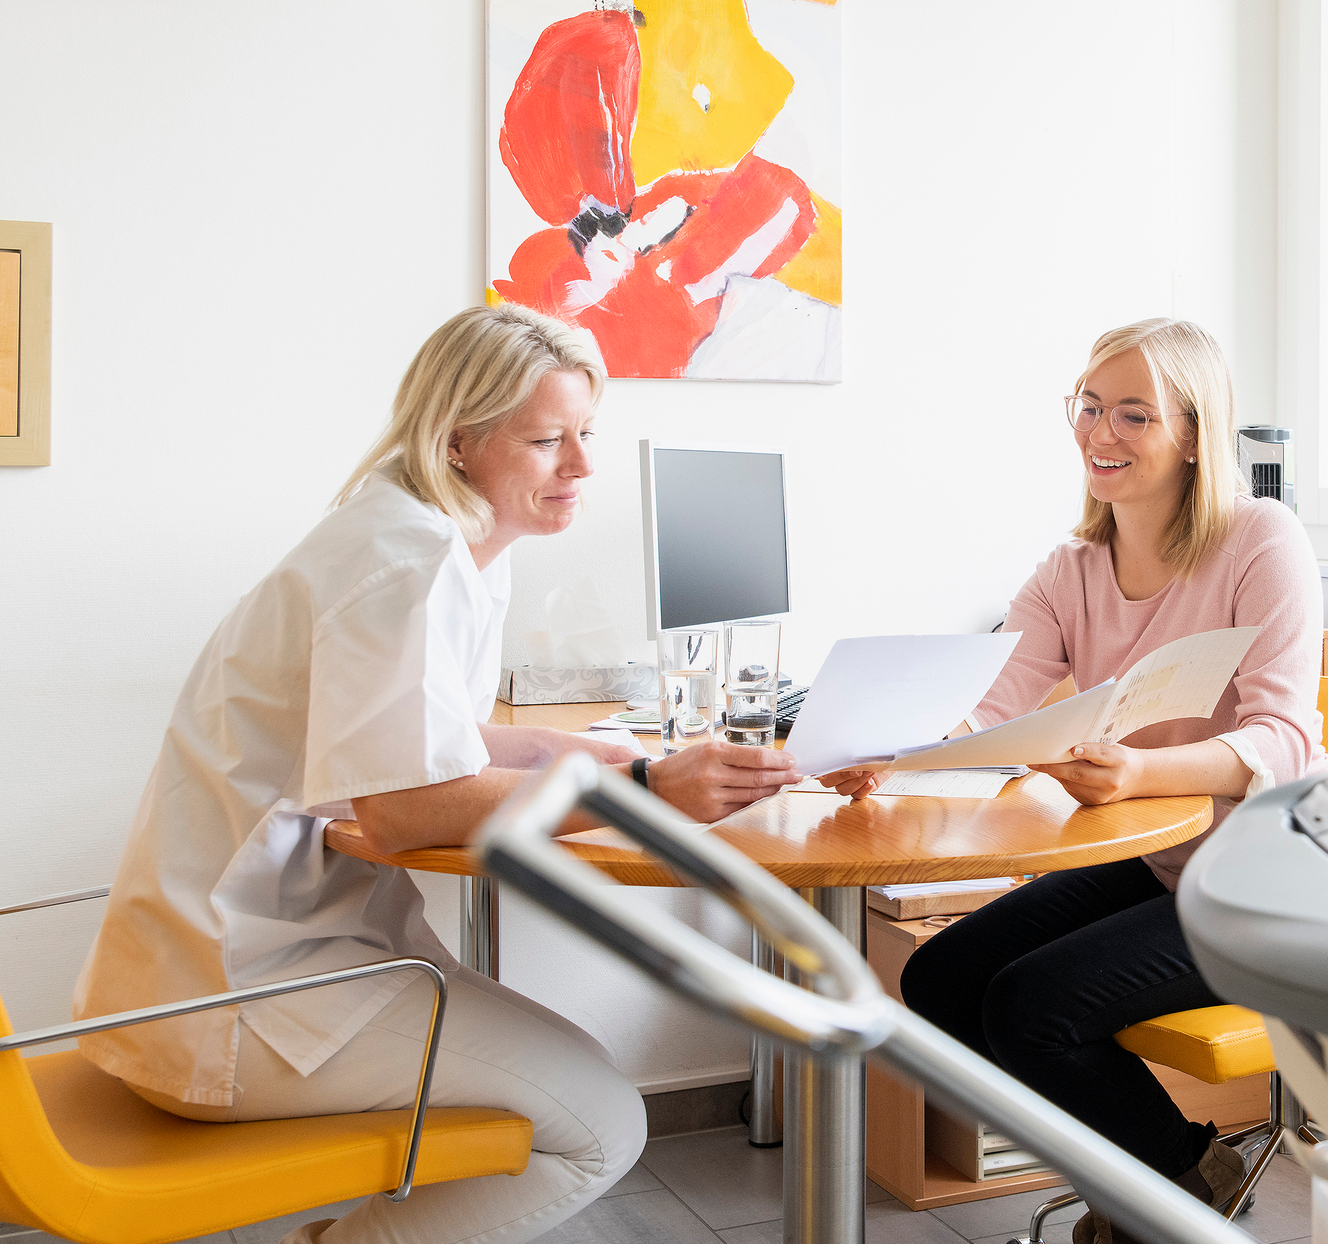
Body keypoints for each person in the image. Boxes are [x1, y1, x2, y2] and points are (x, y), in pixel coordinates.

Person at [71, 304, 804, 1244]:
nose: (582, 466)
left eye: (587, 433)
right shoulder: (407, 561)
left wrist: (597, 756)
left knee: (576, 1079)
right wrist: (646, 792)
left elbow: (433, 738)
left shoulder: (433, 536)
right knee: (602, 1126)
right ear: (457, 441)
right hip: (239, 994)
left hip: (270, 953)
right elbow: (404, 810)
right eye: (546, 440)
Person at [828, 319, 1328, 1244]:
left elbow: (1286, 739)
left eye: (1134, 414)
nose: (1101, 433)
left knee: (1031, 1007)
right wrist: (889, 751)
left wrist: (1138, 770)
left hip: (1276, 876)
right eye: (1090, 407)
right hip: (1166, 858)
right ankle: (1177, 1173)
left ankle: (1162, 1189)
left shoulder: (1260, 540)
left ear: (1195, 434)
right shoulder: (1072, 568)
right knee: (941, 978)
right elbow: (985, 708)